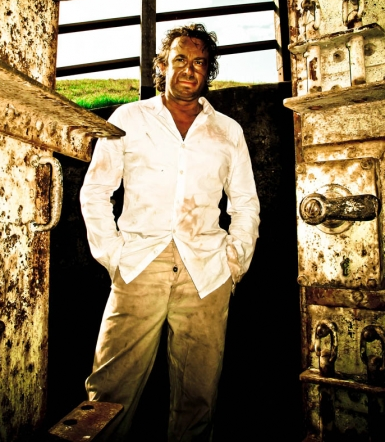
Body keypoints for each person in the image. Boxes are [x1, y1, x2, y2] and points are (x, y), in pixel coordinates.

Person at [80, 23, 260, 441]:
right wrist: (113, 256)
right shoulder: (129, 118)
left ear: (208, 72)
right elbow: (96, 190)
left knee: (198, 396)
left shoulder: (227, 131)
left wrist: (235, 261)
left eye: (199, 62)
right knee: (109, 391)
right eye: (180, 59)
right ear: (162, 65)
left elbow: (245, 203)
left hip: (207, 271)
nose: (189, 69)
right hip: (139, 265)